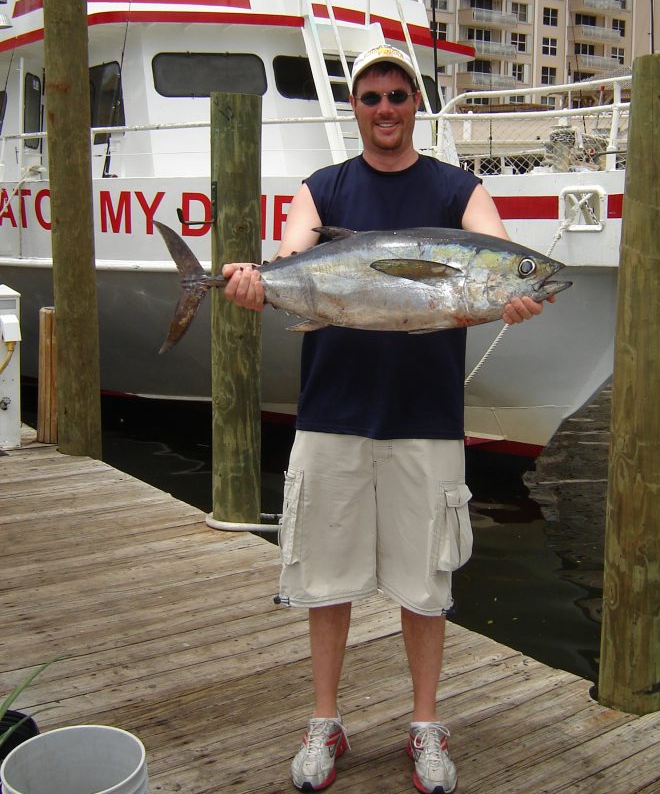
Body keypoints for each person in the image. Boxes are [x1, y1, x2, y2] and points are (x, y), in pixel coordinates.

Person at [222, 44, 554, 794]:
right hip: (332, 412)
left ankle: (426, 726)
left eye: (397, 96)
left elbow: (497, 255)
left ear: (415, 103)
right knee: (325, 579)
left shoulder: (457, 190)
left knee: (425, 582)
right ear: (357, 108)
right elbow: (292, 255)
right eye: (370, 97)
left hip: (426, 420)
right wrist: (256, 284)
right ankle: (324, 721)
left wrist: (519, 293)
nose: (384, 110)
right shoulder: (323, 188)